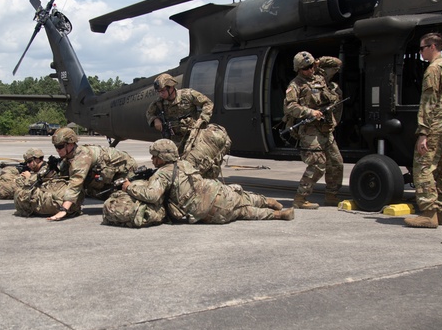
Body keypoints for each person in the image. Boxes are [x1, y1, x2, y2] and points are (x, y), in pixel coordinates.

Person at [120, 139, 294, 223]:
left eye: (154, 156)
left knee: (244, 212)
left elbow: (151, 195)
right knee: (244, 198)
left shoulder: (162, 174)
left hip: (209, 209)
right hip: (219, 190)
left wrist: (129, 187)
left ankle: (278, 215)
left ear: (163, 157)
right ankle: (269, 202)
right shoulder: (184, 164)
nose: (152, 160)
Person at [20, 126, 137, 222]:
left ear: (70, 144)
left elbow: (75, 183)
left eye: (60, 146)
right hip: (108, 175)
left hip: (127, 173)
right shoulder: (68, 158)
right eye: (56, 147)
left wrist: (63, 210)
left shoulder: (82, 157)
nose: (57, 150)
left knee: (115, 202)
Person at [405, 32, 442, 228]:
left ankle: (429, 213)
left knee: (423, 167)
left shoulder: (433, 69)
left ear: (432, 47)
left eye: (422, 48)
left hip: (434, 127)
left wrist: (423, 132)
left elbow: (428, 102)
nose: (421, 52)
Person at [282, 51, 344, 209]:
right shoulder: (295, 85)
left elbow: (337, 64)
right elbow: (289, 106)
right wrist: (310, 112)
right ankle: (300, 198)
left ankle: (331, 195)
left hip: (325, 128)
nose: (310, 70)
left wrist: (319, 61)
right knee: (317, 164)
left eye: (311, 67)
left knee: (336, 162)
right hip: (310, 130)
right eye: (305, 68)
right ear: (298, 69)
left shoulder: (320, 76)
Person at [146, 72, 214, 155]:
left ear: (171, 87)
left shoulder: (188, 95)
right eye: (159, 92)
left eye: (163, 91)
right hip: (174, 141)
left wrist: (202, 119)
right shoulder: (159, 102)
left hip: (193, 137)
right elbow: (149, 113)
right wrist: (155, 119)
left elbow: (207, 103)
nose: (161, 94)